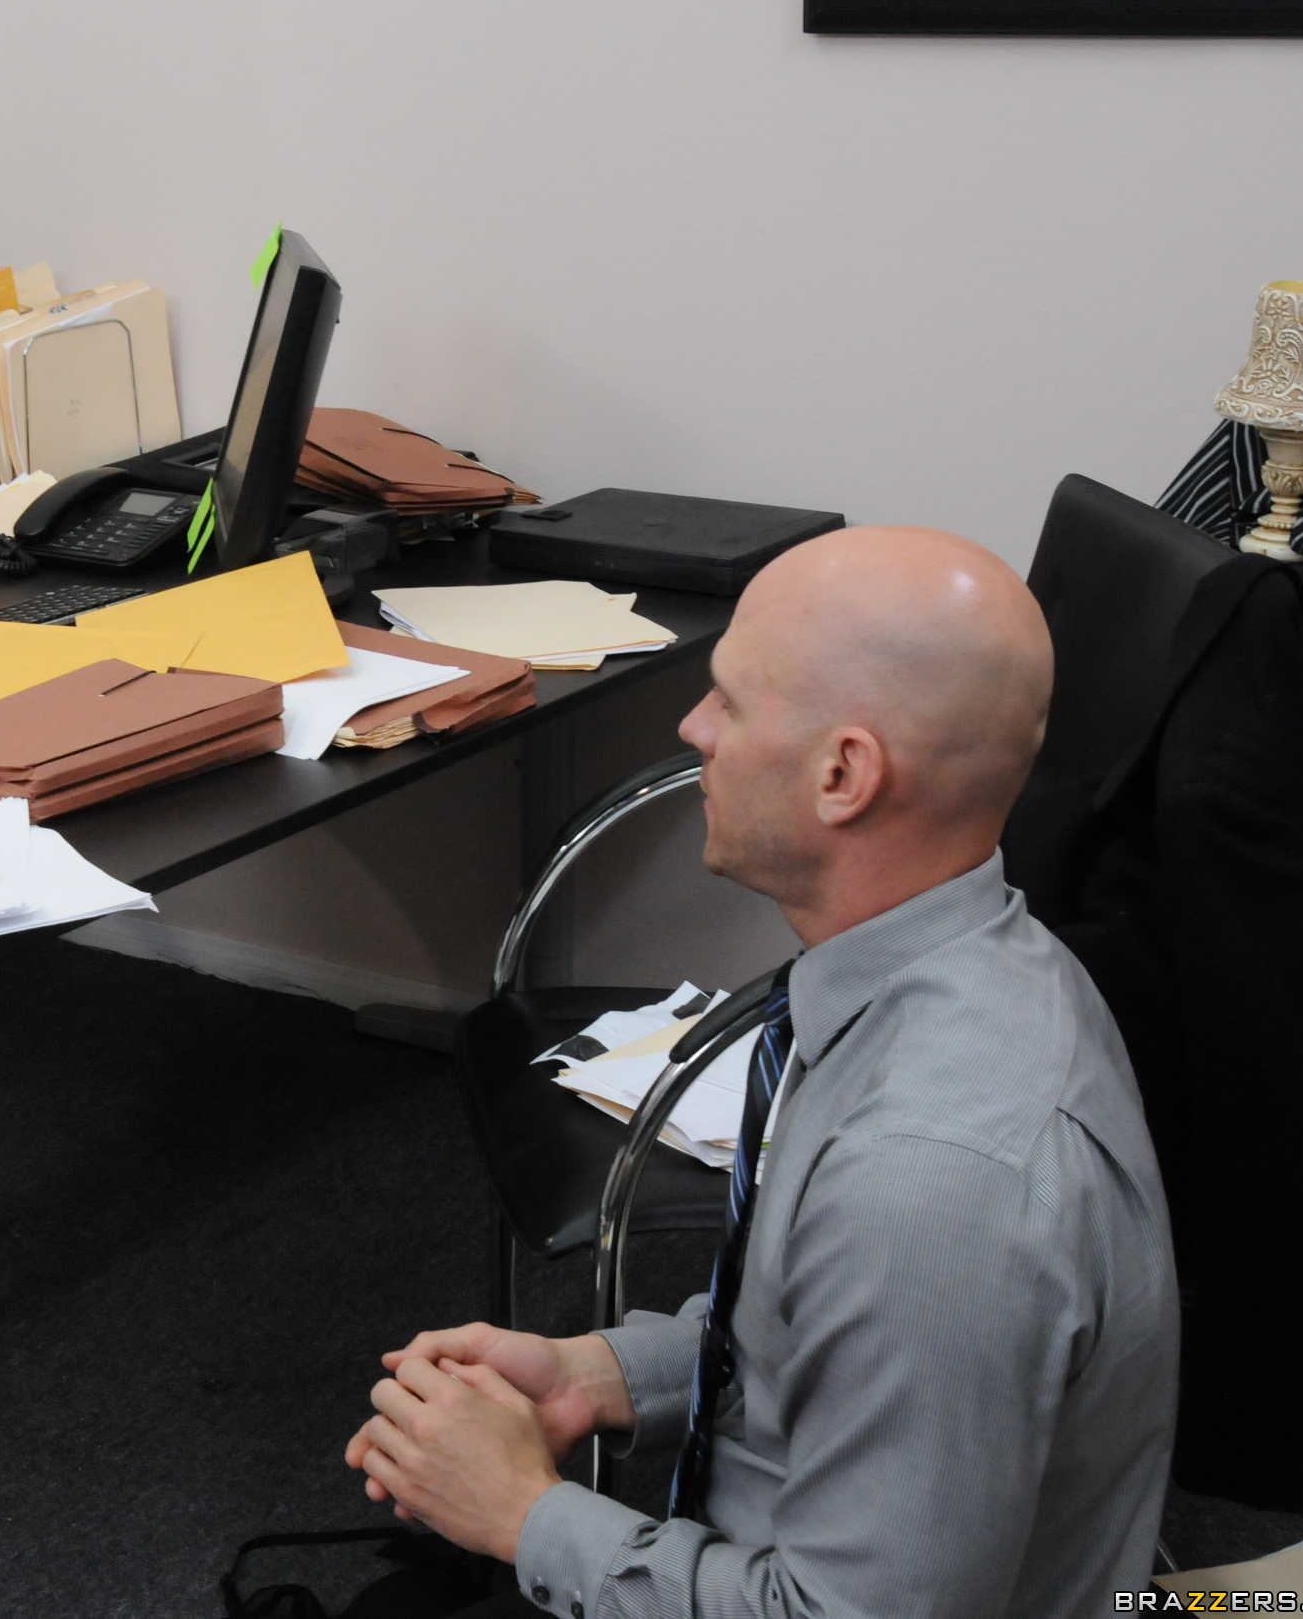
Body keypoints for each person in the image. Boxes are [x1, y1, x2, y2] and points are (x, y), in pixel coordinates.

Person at [346, 527, 1178, 1615]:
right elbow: (812, 1334)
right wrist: (602, 1375)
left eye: (729, 702)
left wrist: (523, 1514)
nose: (693, 727)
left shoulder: (930, 1182)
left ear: (843, 775)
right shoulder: (981, 965)